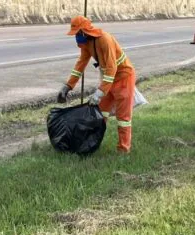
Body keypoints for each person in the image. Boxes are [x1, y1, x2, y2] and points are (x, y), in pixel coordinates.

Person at [57, 16, 136, 153]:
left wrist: (100, 92)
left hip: (123, 78)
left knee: (123, 118)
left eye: (78, 33)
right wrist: (68, 86)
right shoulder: (86, 44)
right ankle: (93, 144)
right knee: (101, 113)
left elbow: (112, 68)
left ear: (85, 31)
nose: (76, 37)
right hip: (108, 79)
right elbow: (80, 65)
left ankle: (123, 150)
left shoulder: (104, 39)